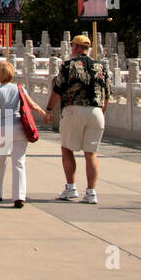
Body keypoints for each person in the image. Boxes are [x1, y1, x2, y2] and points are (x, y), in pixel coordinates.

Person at [45, 33, 110, 203]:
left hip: (74, 109)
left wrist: (49, 109)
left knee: (67, 148)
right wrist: (101, 112)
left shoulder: (68, 65)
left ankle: (71, 187)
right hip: (96, 111)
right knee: (91, 153)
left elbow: (58, 89)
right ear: (88, 49)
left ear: (74, 47)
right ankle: (91, 193)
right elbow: (108, 94)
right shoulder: (101, 66)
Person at [0, 60, 50, 207]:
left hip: (2, 129)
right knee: (19, 162)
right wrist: (44, 114)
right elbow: (32, 105)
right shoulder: (19, 88)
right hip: (19, 128)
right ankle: (19, 196)